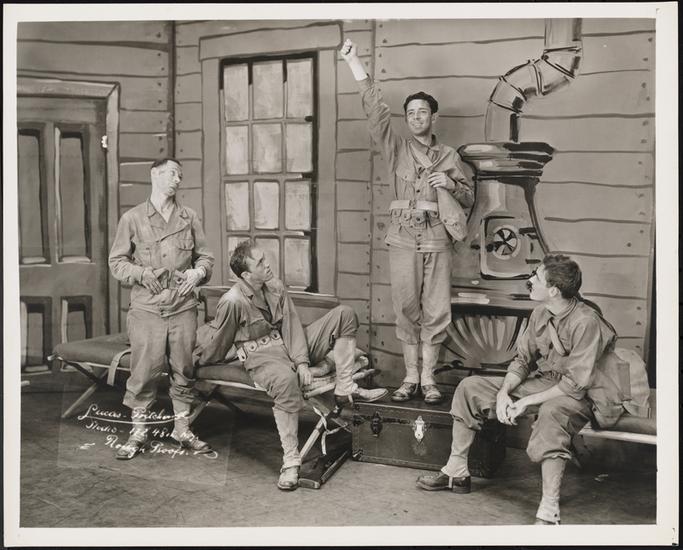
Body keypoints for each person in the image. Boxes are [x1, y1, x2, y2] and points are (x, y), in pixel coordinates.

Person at [416, 254, 621, 525]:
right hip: (547, 382)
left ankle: (549, 509)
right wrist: (504, 392)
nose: (530, 280)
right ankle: (456, 471)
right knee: (470, 387)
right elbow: (523, 360)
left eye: (536, 277)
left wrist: (525, 401)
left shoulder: (586, 321)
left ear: (553, 290)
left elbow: (576, 384)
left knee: (552, 413)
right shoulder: (540, 313)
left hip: (583, 393)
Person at [340, 38, 474, 405]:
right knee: (405, 309)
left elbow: (468, 198)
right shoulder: (396, 148)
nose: (416, 117)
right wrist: (355, 63)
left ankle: (428, 379)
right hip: (402, 238)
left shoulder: (448, 156)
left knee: (437, 310)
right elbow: (375, 112)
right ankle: (410, 377)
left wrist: (450, 183)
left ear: (434, 117)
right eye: (411, 113)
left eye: (422, 112)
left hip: (438, 239)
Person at [194, 239, 388, 491]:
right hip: (262, 355)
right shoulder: (232, 301)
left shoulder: (275, 286)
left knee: (345, 314)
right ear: (246, 275)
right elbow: (219, 342)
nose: (267, 264)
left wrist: (302, 363)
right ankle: (291, 459)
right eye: (260, 263)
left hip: (290, 344)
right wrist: (198, 364)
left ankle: (344, 387)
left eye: (265, 259)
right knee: (286, 381)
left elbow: (292, 327)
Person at [109, 158, 215, 460]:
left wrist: (197, 273)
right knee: (143, 372)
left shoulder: (189, 217)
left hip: (183, 307)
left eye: (180, 175)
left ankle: (182, 430)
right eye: (172, 173)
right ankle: (138, 433)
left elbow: (206, 258)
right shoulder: (132, 218)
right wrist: (142, 274)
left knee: (184, 370)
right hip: (147, 309)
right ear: (154, 175)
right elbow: (116, 263)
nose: (177, 179)